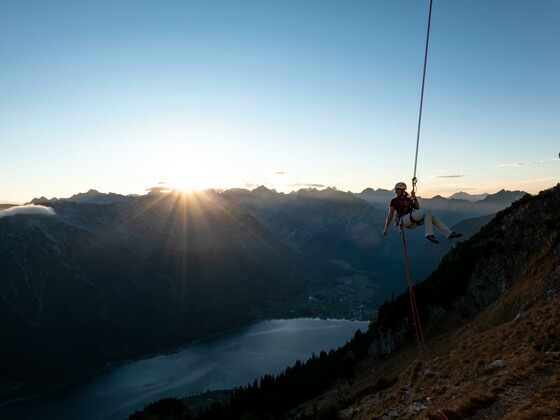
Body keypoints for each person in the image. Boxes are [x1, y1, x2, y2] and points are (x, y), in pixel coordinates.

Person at [382, 182, 462, 244]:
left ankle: (449, 234)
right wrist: (385, 228)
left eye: (397, 189)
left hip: (411, 223)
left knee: (432, 218)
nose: (395, 191)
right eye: (396, 189)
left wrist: (414, 197)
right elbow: (390, 214)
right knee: (427, 212)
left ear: (402, 190)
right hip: (404, 220)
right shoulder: (394, 201)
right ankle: (429, 234)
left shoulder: (409, 199)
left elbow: (417, 207)